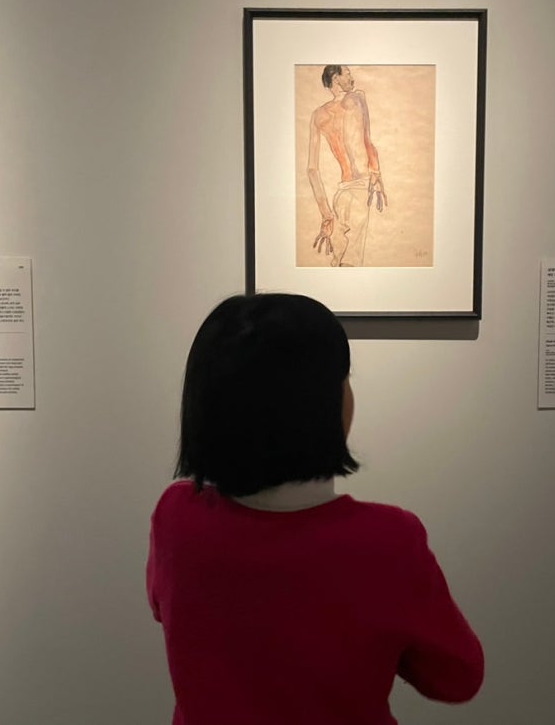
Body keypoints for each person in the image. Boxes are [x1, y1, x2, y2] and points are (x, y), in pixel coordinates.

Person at [146, 293, 484, 725]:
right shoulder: (388, 540)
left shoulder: (176, 516)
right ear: (324, 403)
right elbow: (457, 676)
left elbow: (168, 610)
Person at [307, 65, 388, 266]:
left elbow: (312, 170)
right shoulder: (356, 98)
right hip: (361, 189)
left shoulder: (318, 115)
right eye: (348, 73)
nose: (352, 78)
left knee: (339, 262)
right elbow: (367, 140)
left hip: (341, 196)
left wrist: (326, 215)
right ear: (336, 78)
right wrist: (376, 173)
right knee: (351, 264)